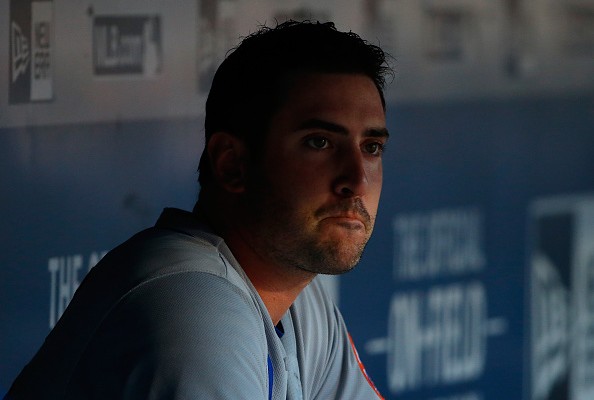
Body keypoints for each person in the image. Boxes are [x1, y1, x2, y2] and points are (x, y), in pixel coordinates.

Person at [5, 20, 391, 399]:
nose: (356, 180)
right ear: (232, 164)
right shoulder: (193, 307)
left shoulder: (296, 294)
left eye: (371, 147)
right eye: (319, 143)